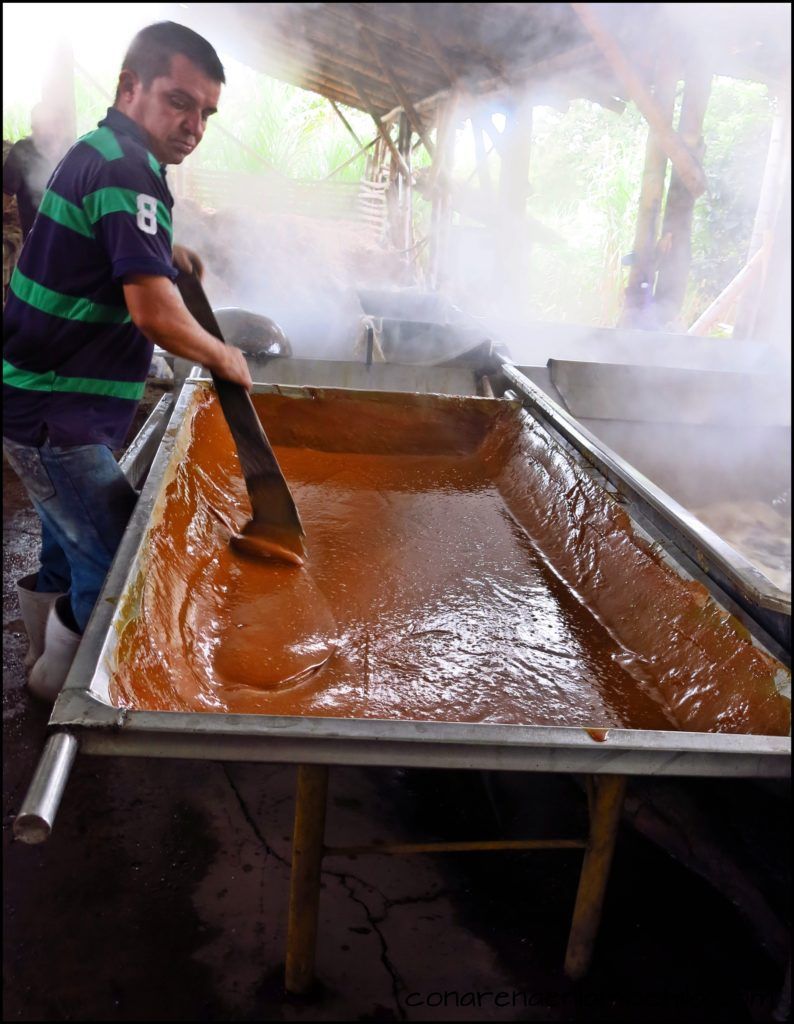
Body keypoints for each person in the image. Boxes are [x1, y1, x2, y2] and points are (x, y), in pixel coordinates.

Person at [3, 21, 252, 702]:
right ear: (130, 88)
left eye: (206, 112)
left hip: (33, 397)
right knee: (116, 569)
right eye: (179, 101)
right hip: (59, 416)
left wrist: (163, 252)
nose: (194, 124)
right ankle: (60, 691)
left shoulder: (99, 149)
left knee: (65, 541)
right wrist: (223, 356)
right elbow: (155, 315)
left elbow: (95, 234)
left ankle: (41, 656)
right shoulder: (127, 170)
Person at [3, 103, 72, 240]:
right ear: (34, 127)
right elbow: (5, 195)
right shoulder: (22, 151)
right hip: (37, 243)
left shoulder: (72, 150)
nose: (54, 130)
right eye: (44, 124)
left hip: (71, 241)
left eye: (57, 123)